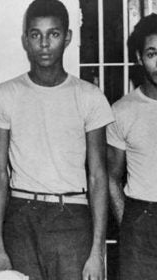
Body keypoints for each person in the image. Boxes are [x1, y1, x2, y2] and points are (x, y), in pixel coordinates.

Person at [0, 0, 114, 279]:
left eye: (53, 34)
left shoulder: (89, 96)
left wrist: (97, 250)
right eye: (35, 34)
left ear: (67, 37)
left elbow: (98, 176)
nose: (44, 44)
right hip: (20, 215)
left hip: (73, 218)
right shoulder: (5, 94)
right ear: (25, 40)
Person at [107, 13, 157, 280]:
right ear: (139, 58)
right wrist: (129, 222)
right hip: (141, 219)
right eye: (152, 53)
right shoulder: (122, 111)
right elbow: (111, 177)